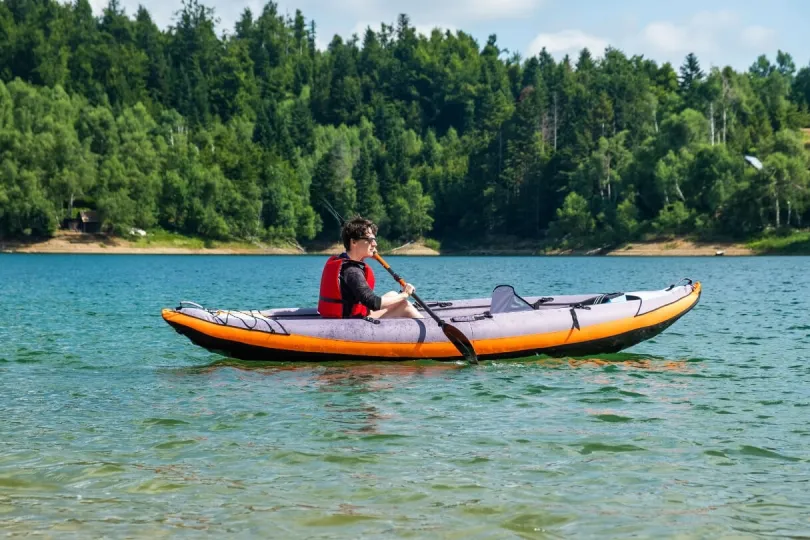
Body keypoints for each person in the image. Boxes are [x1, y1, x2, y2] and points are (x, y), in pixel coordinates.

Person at [318, 216, 423, 319]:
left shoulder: (344, 262)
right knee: (405, 305)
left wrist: (364, 255)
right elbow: (374, 303)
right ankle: (434, 332)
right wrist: (405, 294)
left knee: (393, 294)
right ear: (353, 242)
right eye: (370, 239)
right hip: (349, 322)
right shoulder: (352, 271)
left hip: (349, 313)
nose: (375, 244)